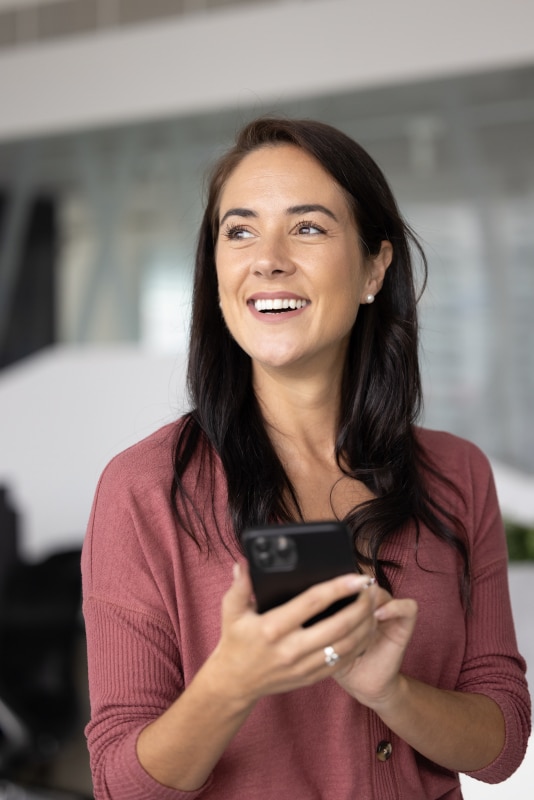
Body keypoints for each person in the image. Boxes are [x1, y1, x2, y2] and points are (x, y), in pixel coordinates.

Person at [81, 117, 531, 800]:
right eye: (239, 231)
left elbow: (502, 743)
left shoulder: (456, 474)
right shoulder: (143, 489)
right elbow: (119, 784)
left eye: (309, 227)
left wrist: (392, 692)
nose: (268, 258)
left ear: (375, 268)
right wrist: (233, 680)